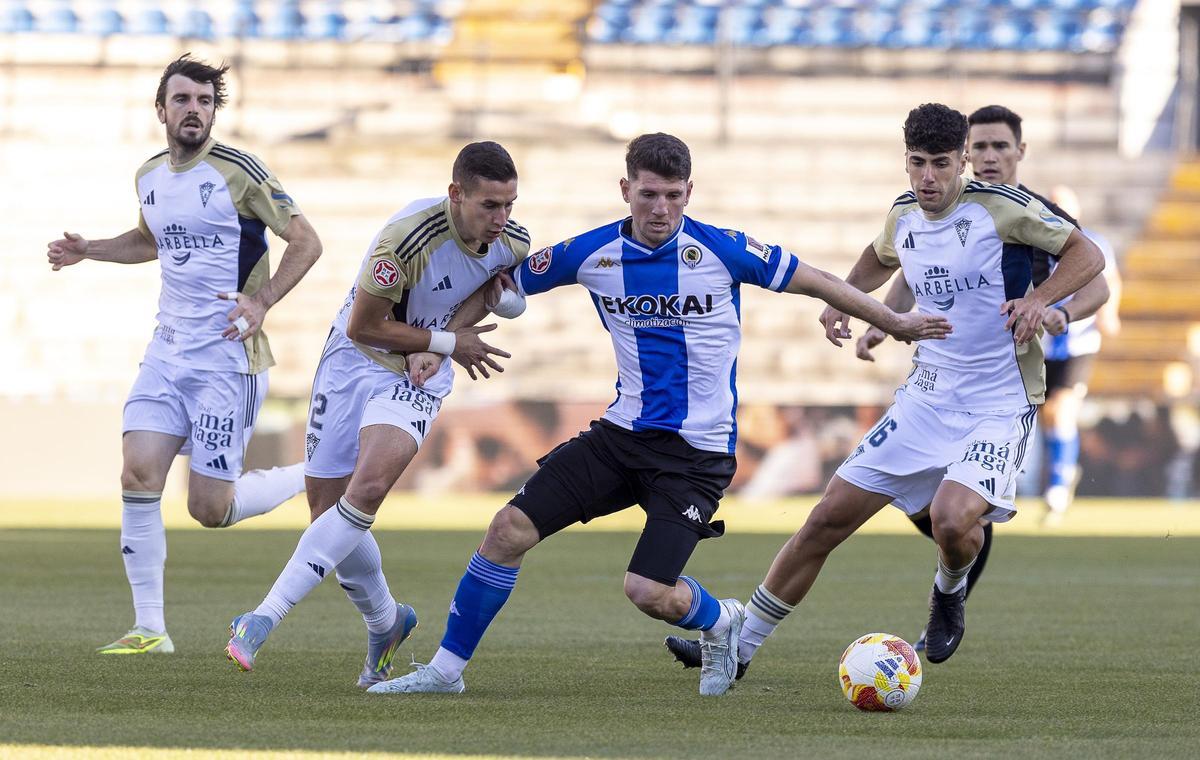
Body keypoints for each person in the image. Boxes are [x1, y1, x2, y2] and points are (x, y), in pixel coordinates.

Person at [364, 132, 951, 698]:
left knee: (646, 590)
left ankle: (721, 620)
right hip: (620, 437)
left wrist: (892, 320)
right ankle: (446, 670)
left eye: (673, 196)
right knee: (505, 530)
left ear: (689, 193)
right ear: (626, 190)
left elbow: (816, 279)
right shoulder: (591, 252)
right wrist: (440, 338)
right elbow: (502, 282)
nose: (661, 208)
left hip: (697, 456)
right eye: (648, 194)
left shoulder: (722, 249)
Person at [667, 103, 1104, 680]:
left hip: (999, 401)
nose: (928, 178)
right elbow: (880, 258)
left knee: (952, 521)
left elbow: (1088, 256)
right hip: (926, 396)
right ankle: (739, 648)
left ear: (963, 161)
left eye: (941, 164)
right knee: (827, 518)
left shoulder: (1007, 210)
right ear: (906, 162)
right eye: (918, 164)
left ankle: (948, 592)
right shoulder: (904, 215)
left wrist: (1042, 301)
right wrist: (844, 301)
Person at [46, 55, 322, 655]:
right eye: (182, 100)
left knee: (209, 509)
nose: (193, 110)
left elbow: (306, 240)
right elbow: (149, 240)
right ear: (162, 110)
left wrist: (263, 301)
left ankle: (310, 474)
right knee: (137, 471)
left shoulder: (239, 171)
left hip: (227, 361)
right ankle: (151, 629)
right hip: (166, 354)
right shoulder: (148, 176)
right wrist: (89, 248)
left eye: (204, 101)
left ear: (213, 110)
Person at [224, 141, 527, 686]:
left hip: (418, 376)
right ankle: (386, 622)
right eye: (489, 206)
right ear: (456, 195)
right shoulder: (405, 239)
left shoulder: (513, 240)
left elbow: (491, 287)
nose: (501, 220)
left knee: (365, 490)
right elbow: (366, 326)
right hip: (354, 359)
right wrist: (444, 339)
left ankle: (263, 616)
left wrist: (440, 347)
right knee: (327, 510)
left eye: (509, 204)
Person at [1040, 185, 1122, 519]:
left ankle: (1058, 484)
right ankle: (1061, 471)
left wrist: (1109, 313)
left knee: (1062, 409)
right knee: (1048, 414)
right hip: (1044, 343)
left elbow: (1111, 281)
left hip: (1080, 339)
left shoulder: (1094, 243)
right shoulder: (1036, 245)